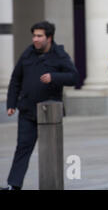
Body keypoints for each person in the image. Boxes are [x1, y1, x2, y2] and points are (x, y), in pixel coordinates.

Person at [1, 21, 78, 190]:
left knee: (49, 150)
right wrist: (11, 103)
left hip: (49, 112)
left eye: (39, 36)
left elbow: (74, 77)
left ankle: (51, 184)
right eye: (34, 35)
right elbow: (16, 79)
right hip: (27, 110)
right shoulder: (28, 53)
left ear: (49, 38)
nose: (35, 39)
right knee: (22, 147)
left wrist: (54, 77)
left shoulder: (60, 55)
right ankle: (14, 184)